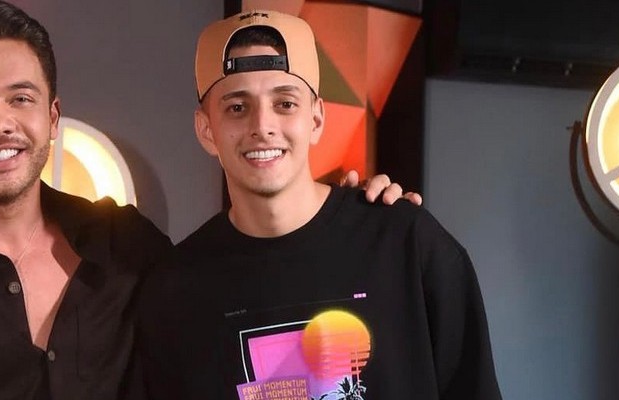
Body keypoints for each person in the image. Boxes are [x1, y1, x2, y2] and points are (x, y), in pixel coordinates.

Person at [0, 1, 417, 399]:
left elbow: (245, 293)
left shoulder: (127, 246)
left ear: (52, 116)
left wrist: (344, 218)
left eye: (20, 98)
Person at [135, 10, 501, 400]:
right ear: (206, 129)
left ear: (316, 118)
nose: (263, 126)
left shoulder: (408, 245)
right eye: (237, 107)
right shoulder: (175, 291)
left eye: (285, 103)